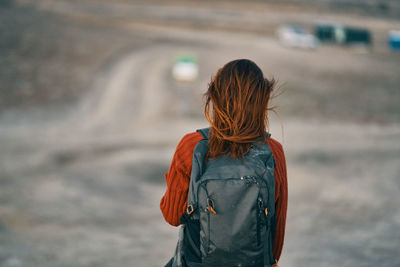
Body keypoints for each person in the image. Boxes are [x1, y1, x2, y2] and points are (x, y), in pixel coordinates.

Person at [160, 59, 288, 266]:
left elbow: (172, 216)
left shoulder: (192, 146)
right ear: (261, 102)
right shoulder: (273, 151)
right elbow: (276, 240)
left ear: (216, 98)